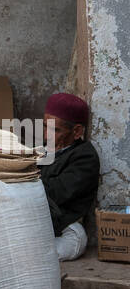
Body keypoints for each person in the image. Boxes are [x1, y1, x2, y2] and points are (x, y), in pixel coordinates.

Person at [41, 92, 99, 261]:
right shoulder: (43, 149)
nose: (46, 135)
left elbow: (56, 192)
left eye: (54, 130)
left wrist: (23, 183)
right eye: (45, 126)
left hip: (64, 226)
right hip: (35, 222)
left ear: (77, 131)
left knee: (74, 241)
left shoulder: (85, 157)